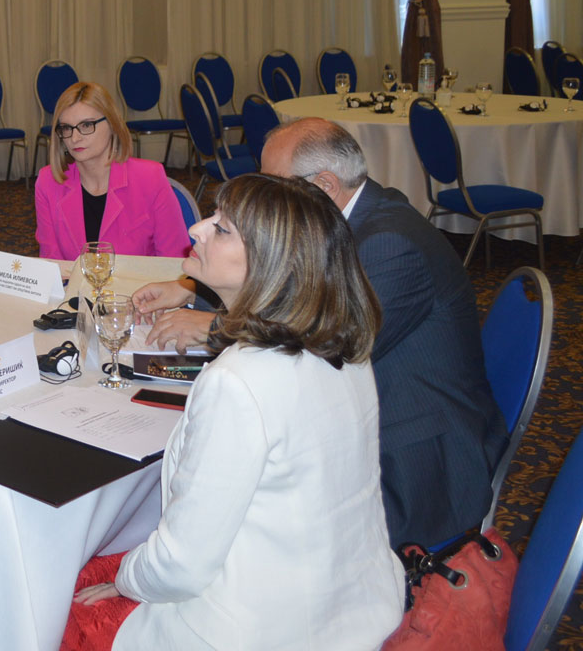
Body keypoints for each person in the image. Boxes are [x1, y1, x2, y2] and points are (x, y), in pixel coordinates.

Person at [67, 173, 404, 650]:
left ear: (270, 263)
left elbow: (180, 565)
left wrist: (126, 580)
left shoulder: (240, 381)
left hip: (260, 631)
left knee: (55, 607)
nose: (196, 229)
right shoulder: (343, 347)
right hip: (357, 607)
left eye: (222, 228)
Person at [138, 118, 506, 548]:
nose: (262, 198)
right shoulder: (346, 219)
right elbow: (282, 287)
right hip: (357, 424)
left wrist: (218, 326)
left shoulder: (390, 243)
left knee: (225, 507)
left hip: (410, 462)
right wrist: (192, 288)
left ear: (325, 185)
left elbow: (321, 345)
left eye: (274, 183)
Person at [34, 81, 191, 260]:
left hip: (140, 279)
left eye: (86, 125)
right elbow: (51, 263)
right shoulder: (48, 182)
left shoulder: (150, 178)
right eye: (67, 128)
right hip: (73, 280)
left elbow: (174, 262)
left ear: (112, 124)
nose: (75, 138)